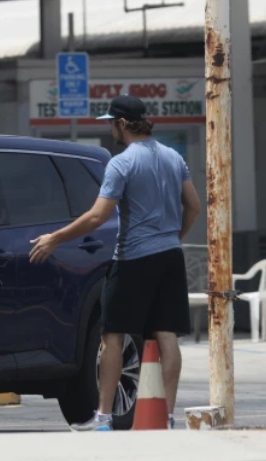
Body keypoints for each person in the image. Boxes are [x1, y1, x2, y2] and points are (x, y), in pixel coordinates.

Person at [28, 95, 201, 431]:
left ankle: (104, 417)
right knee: (167, 336)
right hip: (170, 256)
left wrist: (55, 238)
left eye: (111, 123)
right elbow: (192, 205)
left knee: (112, 336)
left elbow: (97, 216)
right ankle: (166, 417)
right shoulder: (173, 157)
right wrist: (172, 238)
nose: (109, 129)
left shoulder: (121, 164)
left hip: (134, 258)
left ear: (123, 124)